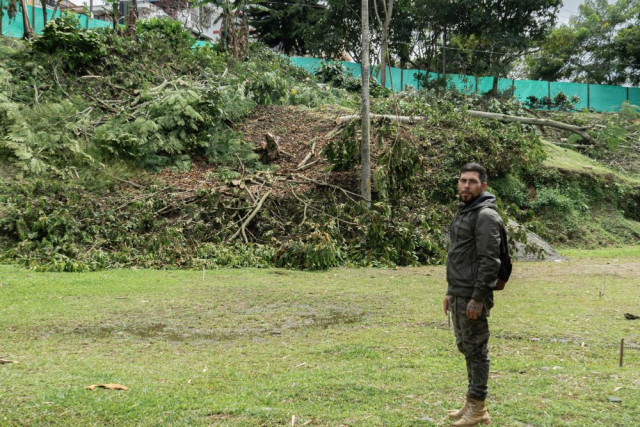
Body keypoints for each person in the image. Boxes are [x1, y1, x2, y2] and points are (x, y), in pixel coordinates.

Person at [443, 162, 503, 426]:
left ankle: (478, 408)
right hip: (460, 292)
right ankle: (472, 402)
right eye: (463, 180)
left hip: (473, 296)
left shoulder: (485, 216)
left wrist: (478, 298)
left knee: (476, 349)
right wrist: (450, 291)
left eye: (472, 181)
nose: (466, 185)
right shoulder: (465, 211)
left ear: (483, 185)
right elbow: (459, 256)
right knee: (466, 347)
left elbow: (490, 261)